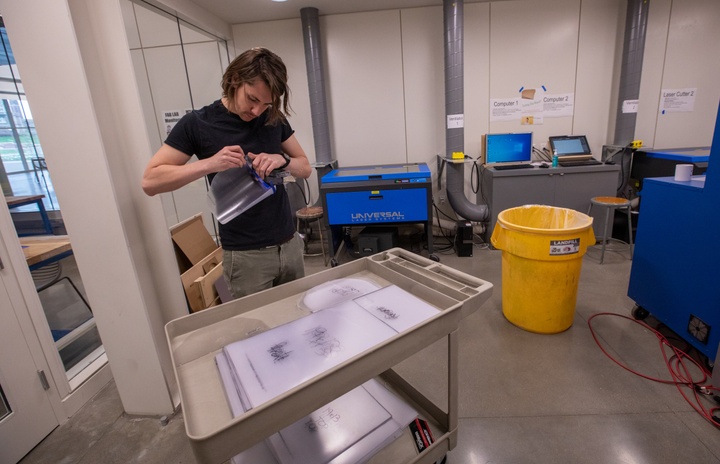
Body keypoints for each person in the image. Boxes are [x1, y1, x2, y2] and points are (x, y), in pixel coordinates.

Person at [142, 47, 312, 299]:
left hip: (290, 247)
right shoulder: (198, 123)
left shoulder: (273, 118)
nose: (257, 111)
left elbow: (305, 167)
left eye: (266, 104)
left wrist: (282, 160)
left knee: (298, 323)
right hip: (245, 257)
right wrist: (210, 163)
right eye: (252, 99)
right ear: (235, 80)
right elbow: (150, 181)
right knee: (256, 332)